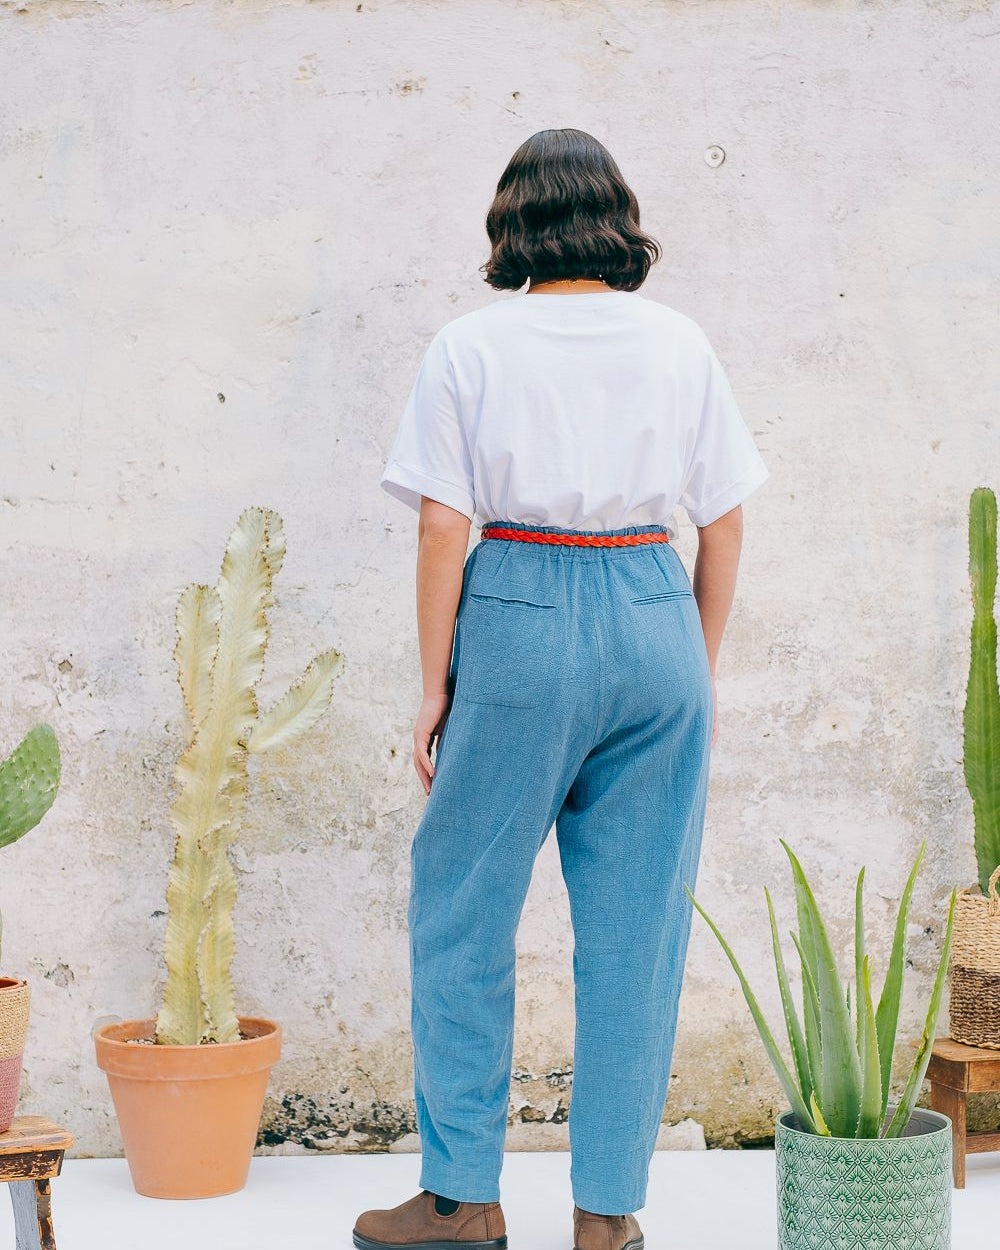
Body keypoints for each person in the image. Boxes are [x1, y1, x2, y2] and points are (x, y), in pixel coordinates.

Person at [356, 128, 769, 1250]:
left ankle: (460, 1199)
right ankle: (604, 1219)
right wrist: (694, 658)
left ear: (514, 226)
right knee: (636, 933)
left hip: (521, 607)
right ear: (615, 219)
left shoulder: (469, 345)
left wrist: (435, 682)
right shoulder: (680, 342)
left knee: (463, 907)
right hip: (651, 604)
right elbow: (723, 518)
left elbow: (446, 525)